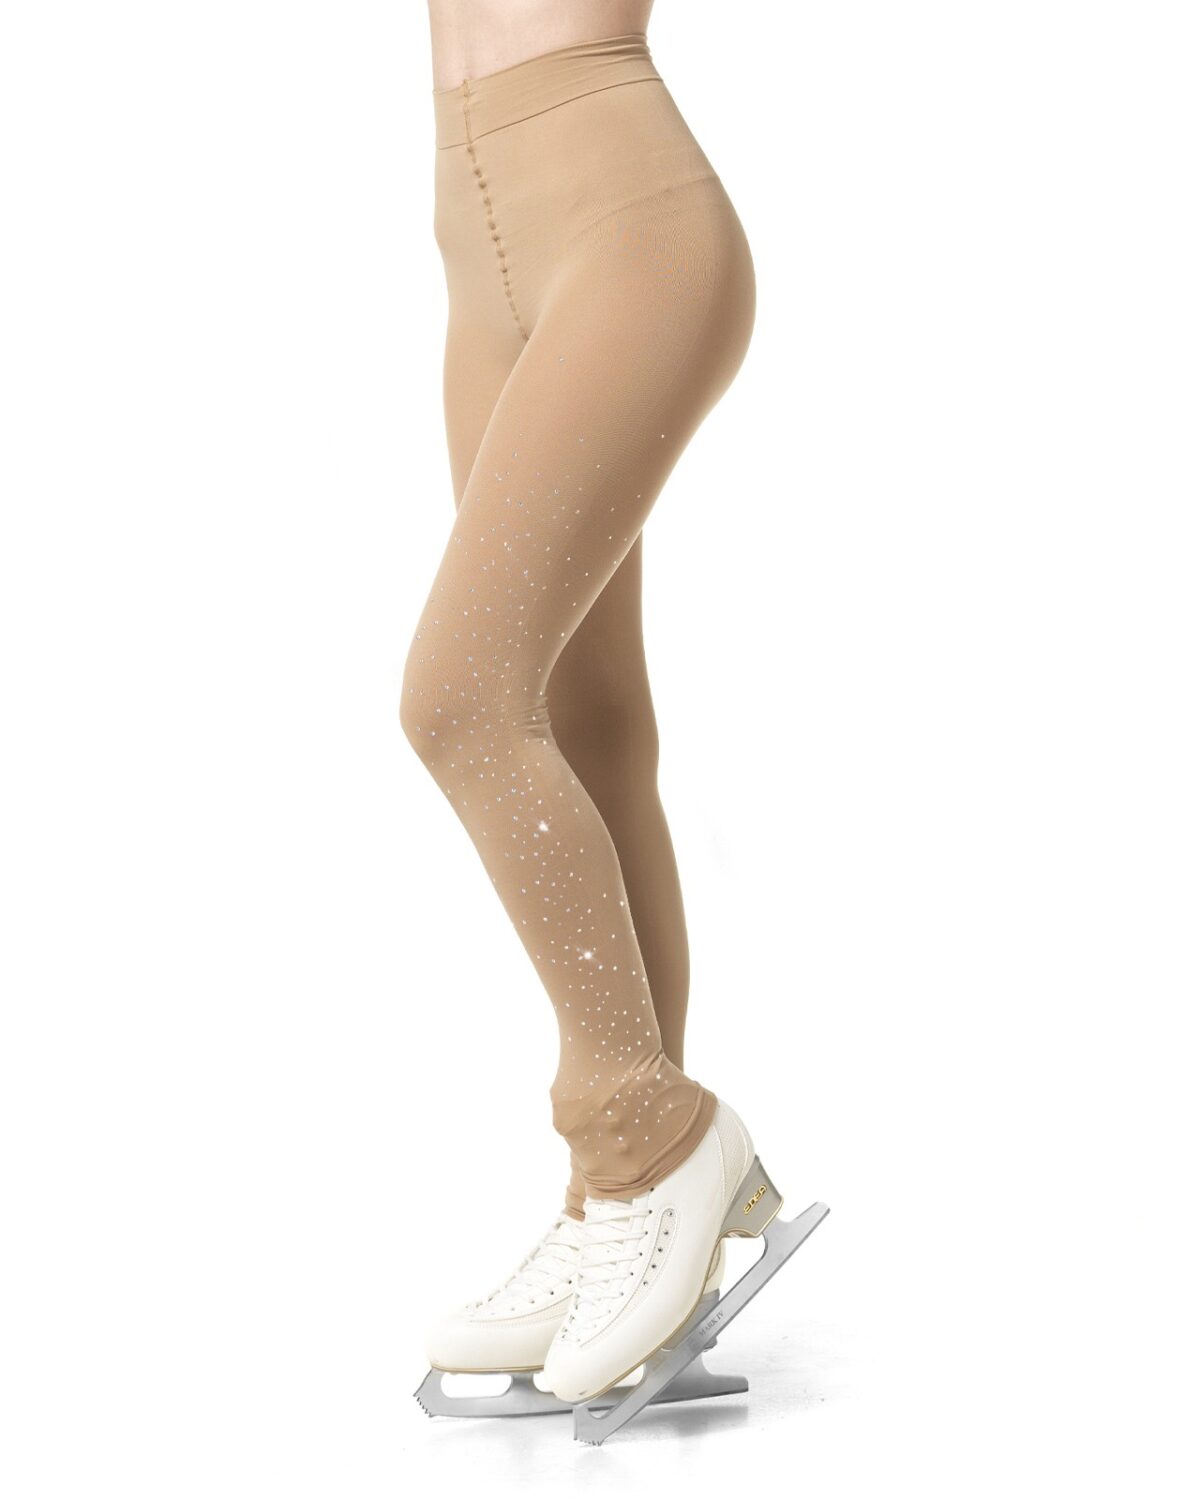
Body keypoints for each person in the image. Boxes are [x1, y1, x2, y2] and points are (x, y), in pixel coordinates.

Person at [403, 0, 773, 1403]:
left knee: (459, 701)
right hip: (478, 243)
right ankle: (613, 1207)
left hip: (626, 220)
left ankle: (648, 1131)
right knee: (578, 719)